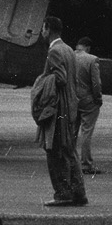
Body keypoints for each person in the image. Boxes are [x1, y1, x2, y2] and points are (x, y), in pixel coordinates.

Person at [33, 15, 87, 207]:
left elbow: (60, 78)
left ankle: (62, 193)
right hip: (71, 106)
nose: (41, 32)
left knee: (54, 151)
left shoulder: (54, 51)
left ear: (48, 29)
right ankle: (79, 192)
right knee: (69, 150)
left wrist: (41, 82)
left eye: (43, 28)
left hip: (59, 109)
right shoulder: (69, 50)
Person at [74, 36, 104, 174]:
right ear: (88, 47)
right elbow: (96, 83)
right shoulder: (92, 59)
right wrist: (98, 98)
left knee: (71, 132)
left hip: (72, 99)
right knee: (86, 132)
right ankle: (86, 164)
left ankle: (69, 163)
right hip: (88, 101)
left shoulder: (68, 57)